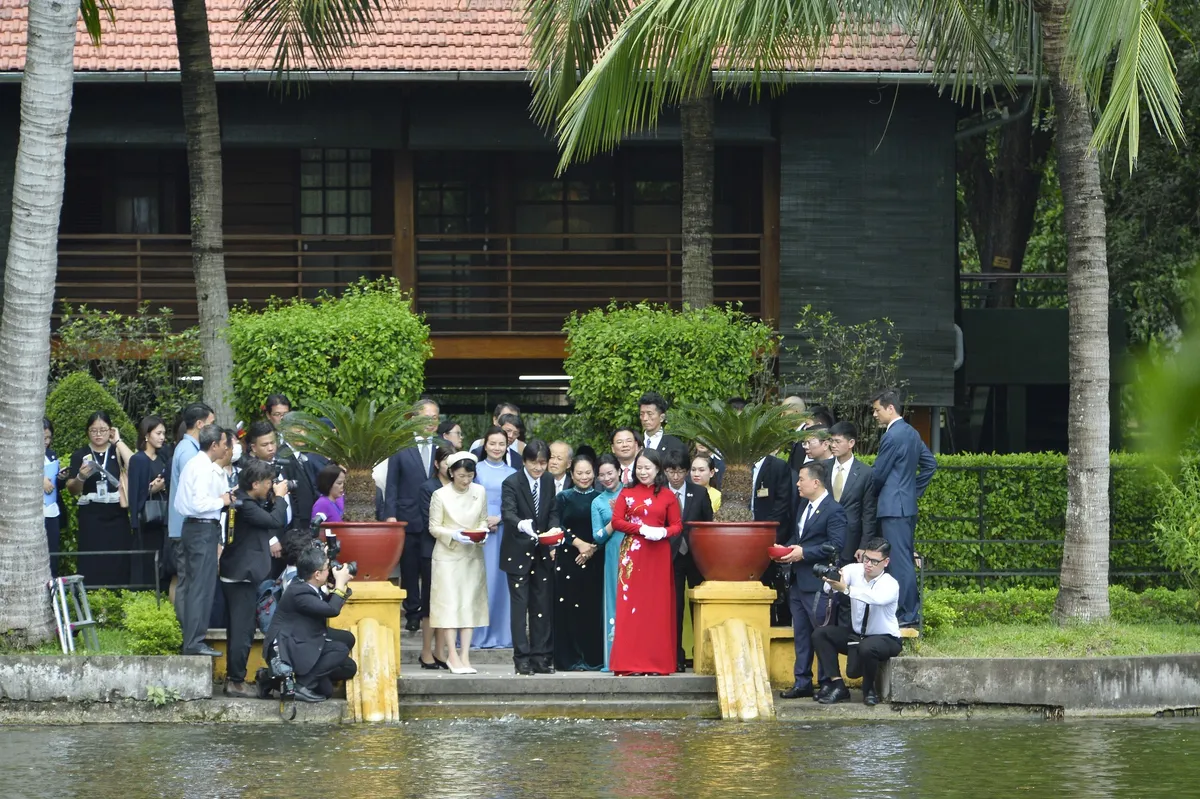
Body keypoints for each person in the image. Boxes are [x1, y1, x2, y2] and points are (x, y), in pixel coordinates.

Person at [609, 448, 682, 676]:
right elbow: (617, 521)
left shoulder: (668, 495)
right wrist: (640, 528)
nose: (643, 472)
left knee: (656, 607)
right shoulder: (626, 493)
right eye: (639, 467)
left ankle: (655, 663)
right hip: (633, 553)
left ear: (657, 469)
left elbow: (678, 525)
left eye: (647, 468)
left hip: (658, 554)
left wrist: (662, 533)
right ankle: (629, 663)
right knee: (631, 607)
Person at [219, 457, 288, 697]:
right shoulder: (245, 505)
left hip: (240, 573)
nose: (271, 486)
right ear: (255, 484)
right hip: (240, 576)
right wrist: (280, 497)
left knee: (241, 630)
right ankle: (235, 681)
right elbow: (275, 521)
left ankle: (234, 678)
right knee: (242, 631)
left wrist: (273, 498)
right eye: (269, 483)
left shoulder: (243, 498)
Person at [777, 461, 846, 699]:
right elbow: (799, 536)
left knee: (821, 633)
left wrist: (804, 553)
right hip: (797, 580)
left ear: (815, 482)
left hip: (818, 581)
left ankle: (827, 680)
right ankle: (802, 681)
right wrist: (785, 550)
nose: (797, 484)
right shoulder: (803, 506)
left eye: (801, 479)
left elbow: (836, 545)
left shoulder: (833, 510)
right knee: (802, 634)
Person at [870, 388, 937, 626]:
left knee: (899, 561)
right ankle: (906, 612)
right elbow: (930, 464)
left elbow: (878, 474)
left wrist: (869, 497)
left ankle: (907, 614)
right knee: (904, 558)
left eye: (877, 410)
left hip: (892, 507)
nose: (875, 415)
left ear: (890, 408)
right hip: (904, 505)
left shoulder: (892, 435)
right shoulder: (911, 432)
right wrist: (912, 491)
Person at [813, 538, 902, 705]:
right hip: (857, 635)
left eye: (875, 561)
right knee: (821, 634)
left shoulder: (890, 584)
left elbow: (875, 599)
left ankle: (869, 690)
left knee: (868, 647)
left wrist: (846, 589)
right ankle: (838, 685)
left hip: (886, 638)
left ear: (886, 562)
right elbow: (828, 588)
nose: (868, 564)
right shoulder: (854, 570)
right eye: (866, 559)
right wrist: (833, 579)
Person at [265, 545, 356, 703]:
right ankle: (301, 685)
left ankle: (269, 680)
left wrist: (335, 585)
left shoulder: (306, 583)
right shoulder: (299, 592)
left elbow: (322, 604)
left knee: (348, 665)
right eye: (327, 569)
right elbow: (331, 610)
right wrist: (340, 582)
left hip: (304, 635)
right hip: (291, 644)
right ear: (317, 574)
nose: (330, 571)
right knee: (339, 652)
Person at [500, 438, 560, 675]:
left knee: (541, 606)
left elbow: (553, 510)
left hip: (542, 551)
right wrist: (520, 524)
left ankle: (540, 656)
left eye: (542, 463)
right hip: (517, 551)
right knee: (519, 607)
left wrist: (554, 529)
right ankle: (521, 658)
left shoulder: (548, 481)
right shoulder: (511, 482)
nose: (538, 468)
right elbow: (508, 512)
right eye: (534, 463)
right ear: (524, 461)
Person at [172, 423, 233, 657]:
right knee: (201, 587)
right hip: (202, 529)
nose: (226, 449)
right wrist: (222, 501)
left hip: (191, 527)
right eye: (224, 444)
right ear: (215, 445)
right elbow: (198, 504)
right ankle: (194, 641)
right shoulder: (203, 467)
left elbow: (180, 503)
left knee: (191, 586)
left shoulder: (193, 464)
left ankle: (191, 639)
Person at [428, 452, 490, 675]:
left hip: (472, 554)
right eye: (462, 475)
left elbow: (483, 518)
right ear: (451, 473)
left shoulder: (479, 491)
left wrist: (482, 532)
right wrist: (454, 534)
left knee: (470, 604)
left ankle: (465, 655)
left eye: (470, 476)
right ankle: (451, 656)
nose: (466, 480)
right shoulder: (440, 495)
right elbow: (434, 527)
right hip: (447, 556)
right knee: (449, 605)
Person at [383, 398, 440, 632]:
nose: (431, 423)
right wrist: (390, 515)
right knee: (409, 568)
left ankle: (429, 610)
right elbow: (392, 484)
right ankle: (413, 612)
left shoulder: (443, 446)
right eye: (426, 417)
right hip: (407, 517)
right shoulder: (400, 445)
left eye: (435, 418)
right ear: (414, 418)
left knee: (431, 568)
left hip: (436, 518)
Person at [66, 411, 134, 588]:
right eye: (93, 430)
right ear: (87, 432)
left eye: (103, 430)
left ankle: (118, 598)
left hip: (116, 513)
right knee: (92, 559)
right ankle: (93, 599)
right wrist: (81, 476)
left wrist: (118, 441)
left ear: (110, 430)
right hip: (91, 515)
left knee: (118, 559)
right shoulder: (80, 454)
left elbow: (135, 465)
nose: (98, 434)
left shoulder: (116, 451)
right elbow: (72, 489)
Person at [663, 449, 712, 672]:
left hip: (695, 557)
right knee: (674, 607)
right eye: (672, 472)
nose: (676, 477)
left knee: (698, 605)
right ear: (665, 472)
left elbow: (708, 525)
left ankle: (702, 654)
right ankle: (676, 656)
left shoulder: (699, 493)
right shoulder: (660, 493)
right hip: (669, 557)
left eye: (681, 471)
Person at [552, 453, 603, 671]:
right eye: (579, 473)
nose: (584, 477)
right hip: (568, 557)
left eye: (588, 473)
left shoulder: (601, 497)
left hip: (595, 558)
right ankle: (568, 659)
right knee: (567, 609)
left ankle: (593, 657)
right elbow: (557, 525)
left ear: (595, 474)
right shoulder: (563, 497)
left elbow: (609, 524)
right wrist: (578, 544)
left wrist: (591, 548)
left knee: (592, 609)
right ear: (571, 474)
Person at [473, 426, 515, 649]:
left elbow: (515, 504)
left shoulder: (512, 473)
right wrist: (483, 520)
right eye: (493, 443)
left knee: (501, 583)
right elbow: (469, 499)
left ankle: (501, 634)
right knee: (481, 583)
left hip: (503, 531)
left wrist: (499, 518)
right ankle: (477, 636)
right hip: (480, 533)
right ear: (484, 445)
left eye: (501, 444)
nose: (497, 448)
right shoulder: (475, 470)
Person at [167, 402, 215, 591]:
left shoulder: (188, 447)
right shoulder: (189, 451)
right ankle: (187, 621)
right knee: (188, 583)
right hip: (186, 526)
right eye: (211, 423)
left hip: (185, 526)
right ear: (200, 425)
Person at [417, 445, 454, 668]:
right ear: (437, 464)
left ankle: (441, 651)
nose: (449, 467)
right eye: (445, 462)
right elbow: (428, 520)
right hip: (431, 550)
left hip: (455, 552)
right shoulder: (427, 487)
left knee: (447, 603)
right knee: (430, 603)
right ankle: (425, 651)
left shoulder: (461, 486)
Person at [752, 449, 797, 626]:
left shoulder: (778, 466)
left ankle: (775, 624)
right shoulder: (736, 466)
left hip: (768, 536)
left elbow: (782, 503)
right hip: (744, 537)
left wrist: (765, 533)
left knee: (771, 583)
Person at [824, 421, 878, 565]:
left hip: (850, 539)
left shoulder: (866, 473)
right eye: (831, 441)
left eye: (837, 441)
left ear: (851, 443)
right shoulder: (822, 468)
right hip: (823, 537)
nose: (832, 445)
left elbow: (868, 513)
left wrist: (864, 546)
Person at [128, 415, 170, 590]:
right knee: (146, 561)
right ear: (146, 434)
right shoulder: (138, 460)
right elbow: (134, 494)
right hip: (146, 521)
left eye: (163, 433)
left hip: (164, 518)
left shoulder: (163, 457)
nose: (162, 437)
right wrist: (152, 489)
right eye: (158, 433)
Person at [590, 453, 623, 671]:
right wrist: (615, 521)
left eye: (610, 473)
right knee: (613, 601)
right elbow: (598, 536)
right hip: (612, 555)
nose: (606, 478)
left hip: (636, 552)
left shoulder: (631, 494)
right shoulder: (597, 502)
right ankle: (613, 658)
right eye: (601, 475)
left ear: (619, 471)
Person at [42, 418, 67, 577]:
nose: (46, 441)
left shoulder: (51, 455)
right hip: (33, 513)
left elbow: (55, 486)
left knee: (52, 554)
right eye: (42, 438)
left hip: (51, 511)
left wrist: (61, 478)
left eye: (48, 437)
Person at [638, 391, 688, 459]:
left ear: (662, 417)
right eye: (642, 414)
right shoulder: (635, 443)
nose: (645, 418)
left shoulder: (675, 445)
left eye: (650, 414)